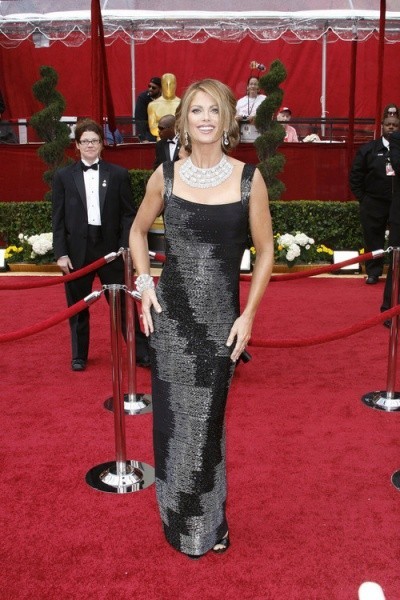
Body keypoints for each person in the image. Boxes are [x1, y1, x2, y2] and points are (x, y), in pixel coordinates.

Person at [129, 78, 274, 558]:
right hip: (171, 321)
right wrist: (145, 285)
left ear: (228, 119)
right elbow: (136, 231)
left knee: (208, 425)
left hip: (219, 324)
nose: (206, 118)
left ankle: (210, 522)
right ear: (184, 121)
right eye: (196, 110)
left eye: (214, 110)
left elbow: (267, 250)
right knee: (172, 423)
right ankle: (178, 521)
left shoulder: (249, 179)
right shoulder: (166, 176)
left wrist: (249, 315)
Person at [52, 118, 150, 371]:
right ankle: (79, 356)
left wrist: (123, 246)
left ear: (101, 144)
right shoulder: (63, 177)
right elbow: (58, 218)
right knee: (78, 307)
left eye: (94, 141)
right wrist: (61, 253)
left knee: (123, 304)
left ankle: (140, 353)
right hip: (77, 252)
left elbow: (129, 214)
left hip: (111, 250)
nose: (90, 145)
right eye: (85, 141)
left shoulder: (118, 174)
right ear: (77, 145)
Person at [350, 114, 399, 284]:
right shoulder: (368, 149)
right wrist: (364, 198)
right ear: (382, 127)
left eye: (395, 125)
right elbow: (356, 175)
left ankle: (395, 274)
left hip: (397, 203)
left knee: (397, 240)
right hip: (374, 202)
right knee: (373, 238)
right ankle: (373, 272)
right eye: (388, 124)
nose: (391, 127)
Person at [382, 128, 400, 320]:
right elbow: (398, 164)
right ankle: (390, 310)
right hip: (399, 216)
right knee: (396, 263)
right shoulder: (397, 139)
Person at [148, 73, 181, 139]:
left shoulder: (182, 103)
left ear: (175, 85)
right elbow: (152, 129)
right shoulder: (153, 105)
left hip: (178, 141)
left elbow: (186, 126)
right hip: (161, 142)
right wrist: (172, 130)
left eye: (171, 84)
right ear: (162, 86)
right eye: (165, 84)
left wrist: (164, 129)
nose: (168, 87)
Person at [235, 76, 266, 142]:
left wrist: (255, 117)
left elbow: (269, 114)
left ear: (259, 87)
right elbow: (235, 117)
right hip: (243, 135)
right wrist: (238, 118)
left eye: (255, 84)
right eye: (251, 84)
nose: (253, 86)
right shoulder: (240, 101)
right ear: (247, 87)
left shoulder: (264, 99)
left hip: (259, 133)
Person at [134, 77, 162, 142]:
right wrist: (143, 138)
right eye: (149, 86)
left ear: (160, 89)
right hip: (148, 134)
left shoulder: (164, 99)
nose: (150, 89)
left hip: (162, 134)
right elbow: (140, 119)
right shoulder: (143, 98)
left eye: (153, 88)